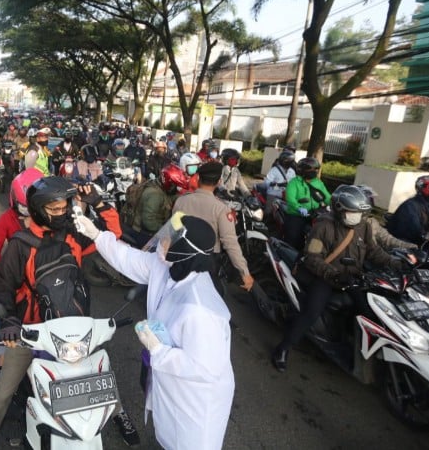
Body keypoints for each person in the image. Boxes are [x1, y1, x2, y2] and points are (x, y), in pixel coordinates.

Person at [0, 177, 139, 449]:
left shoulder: (73, 235)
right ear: (37, 209)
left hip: (76, 330)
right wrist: (9, 319)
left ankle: (118, 413)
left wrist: (98, 203)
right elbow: (3, 287)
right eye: (54, 209)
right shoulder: (20, 245)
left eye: (64, 207)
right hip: (33, 333)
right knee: (2, 392)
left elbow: (111, 234)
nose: (62, 212)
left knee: (100, 377)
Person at [74, 212, 235, 450]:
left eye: (170, 238)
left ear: (184, 250)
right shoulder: (170, 266)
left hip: (196, 399)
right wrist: (97, 235)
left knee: (189, 442)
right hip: (167, 377)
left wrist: (159, 350)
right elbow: (129, 259)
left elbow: (206, 368)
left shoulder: (202, 309)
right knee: (167, 431)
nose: (162, 241)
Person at [271, 185, 405, 372]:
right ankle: (282, 349)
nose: (357, 216)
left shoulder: (363, 226)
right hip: (324, 277)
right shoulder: (323, 226)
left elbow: (374, 252)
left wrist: (397, 263)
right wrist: (334, 275)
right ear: (340, 209)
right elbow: (312, 258)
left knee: (369, 310)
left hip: (352, 277)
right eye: (353, 212)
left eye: (360, 212)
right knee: (311, 312)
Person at [0, 168, 44, 382]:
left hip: (45, 284)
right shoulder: (7, 219)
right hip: (17, 285)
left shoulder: (49, 217)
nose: (30, 215)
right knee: (4, 320)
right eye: (24, 208)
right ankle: (1, 365)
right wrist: (9, 273)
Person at [173, 161, 254, 294]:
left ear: (198, 178)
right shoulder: (221, 209)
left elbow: (174, 230)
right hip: (207, 263)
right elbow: (230, 243)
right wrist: (244, 272)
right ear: (218, 182)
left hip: (182, 257)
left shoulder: (181, 201)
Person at [387, 175, 429, 245]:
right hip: (402, 241)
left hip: (419, 240)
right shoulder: (410, 206)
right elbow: (415, 229)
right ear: (426, 189)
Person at [283, 157, 331, 251]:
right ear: (302, 170)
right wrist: (299, 208)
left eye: (316, 169)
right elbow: (290, 199)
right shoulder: (294, 182)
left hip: (314, 215)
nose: (314, 171)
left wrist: (336, 204)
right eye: (311, 169)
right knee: (293, 238)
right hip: (296, 215)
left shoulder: (318, 183)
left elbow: (327, 197)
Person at [355, 185, 417, 252]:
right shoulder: (348, 224)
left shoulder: (371, 222)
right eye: (369, 200)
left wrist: (410, 246)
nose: (371, 203)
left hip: (373, 256)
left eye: (371, 200)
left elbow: (388, 239)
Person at [263, 150, 296, 220]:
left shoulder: (292, 171)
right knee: (269, 211)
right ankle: (266, 223)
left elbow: (294, 183)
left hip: (286, 195)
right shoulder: (274, 170)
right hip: (273, 194)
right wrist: (278, 184)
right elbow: (267, 182)